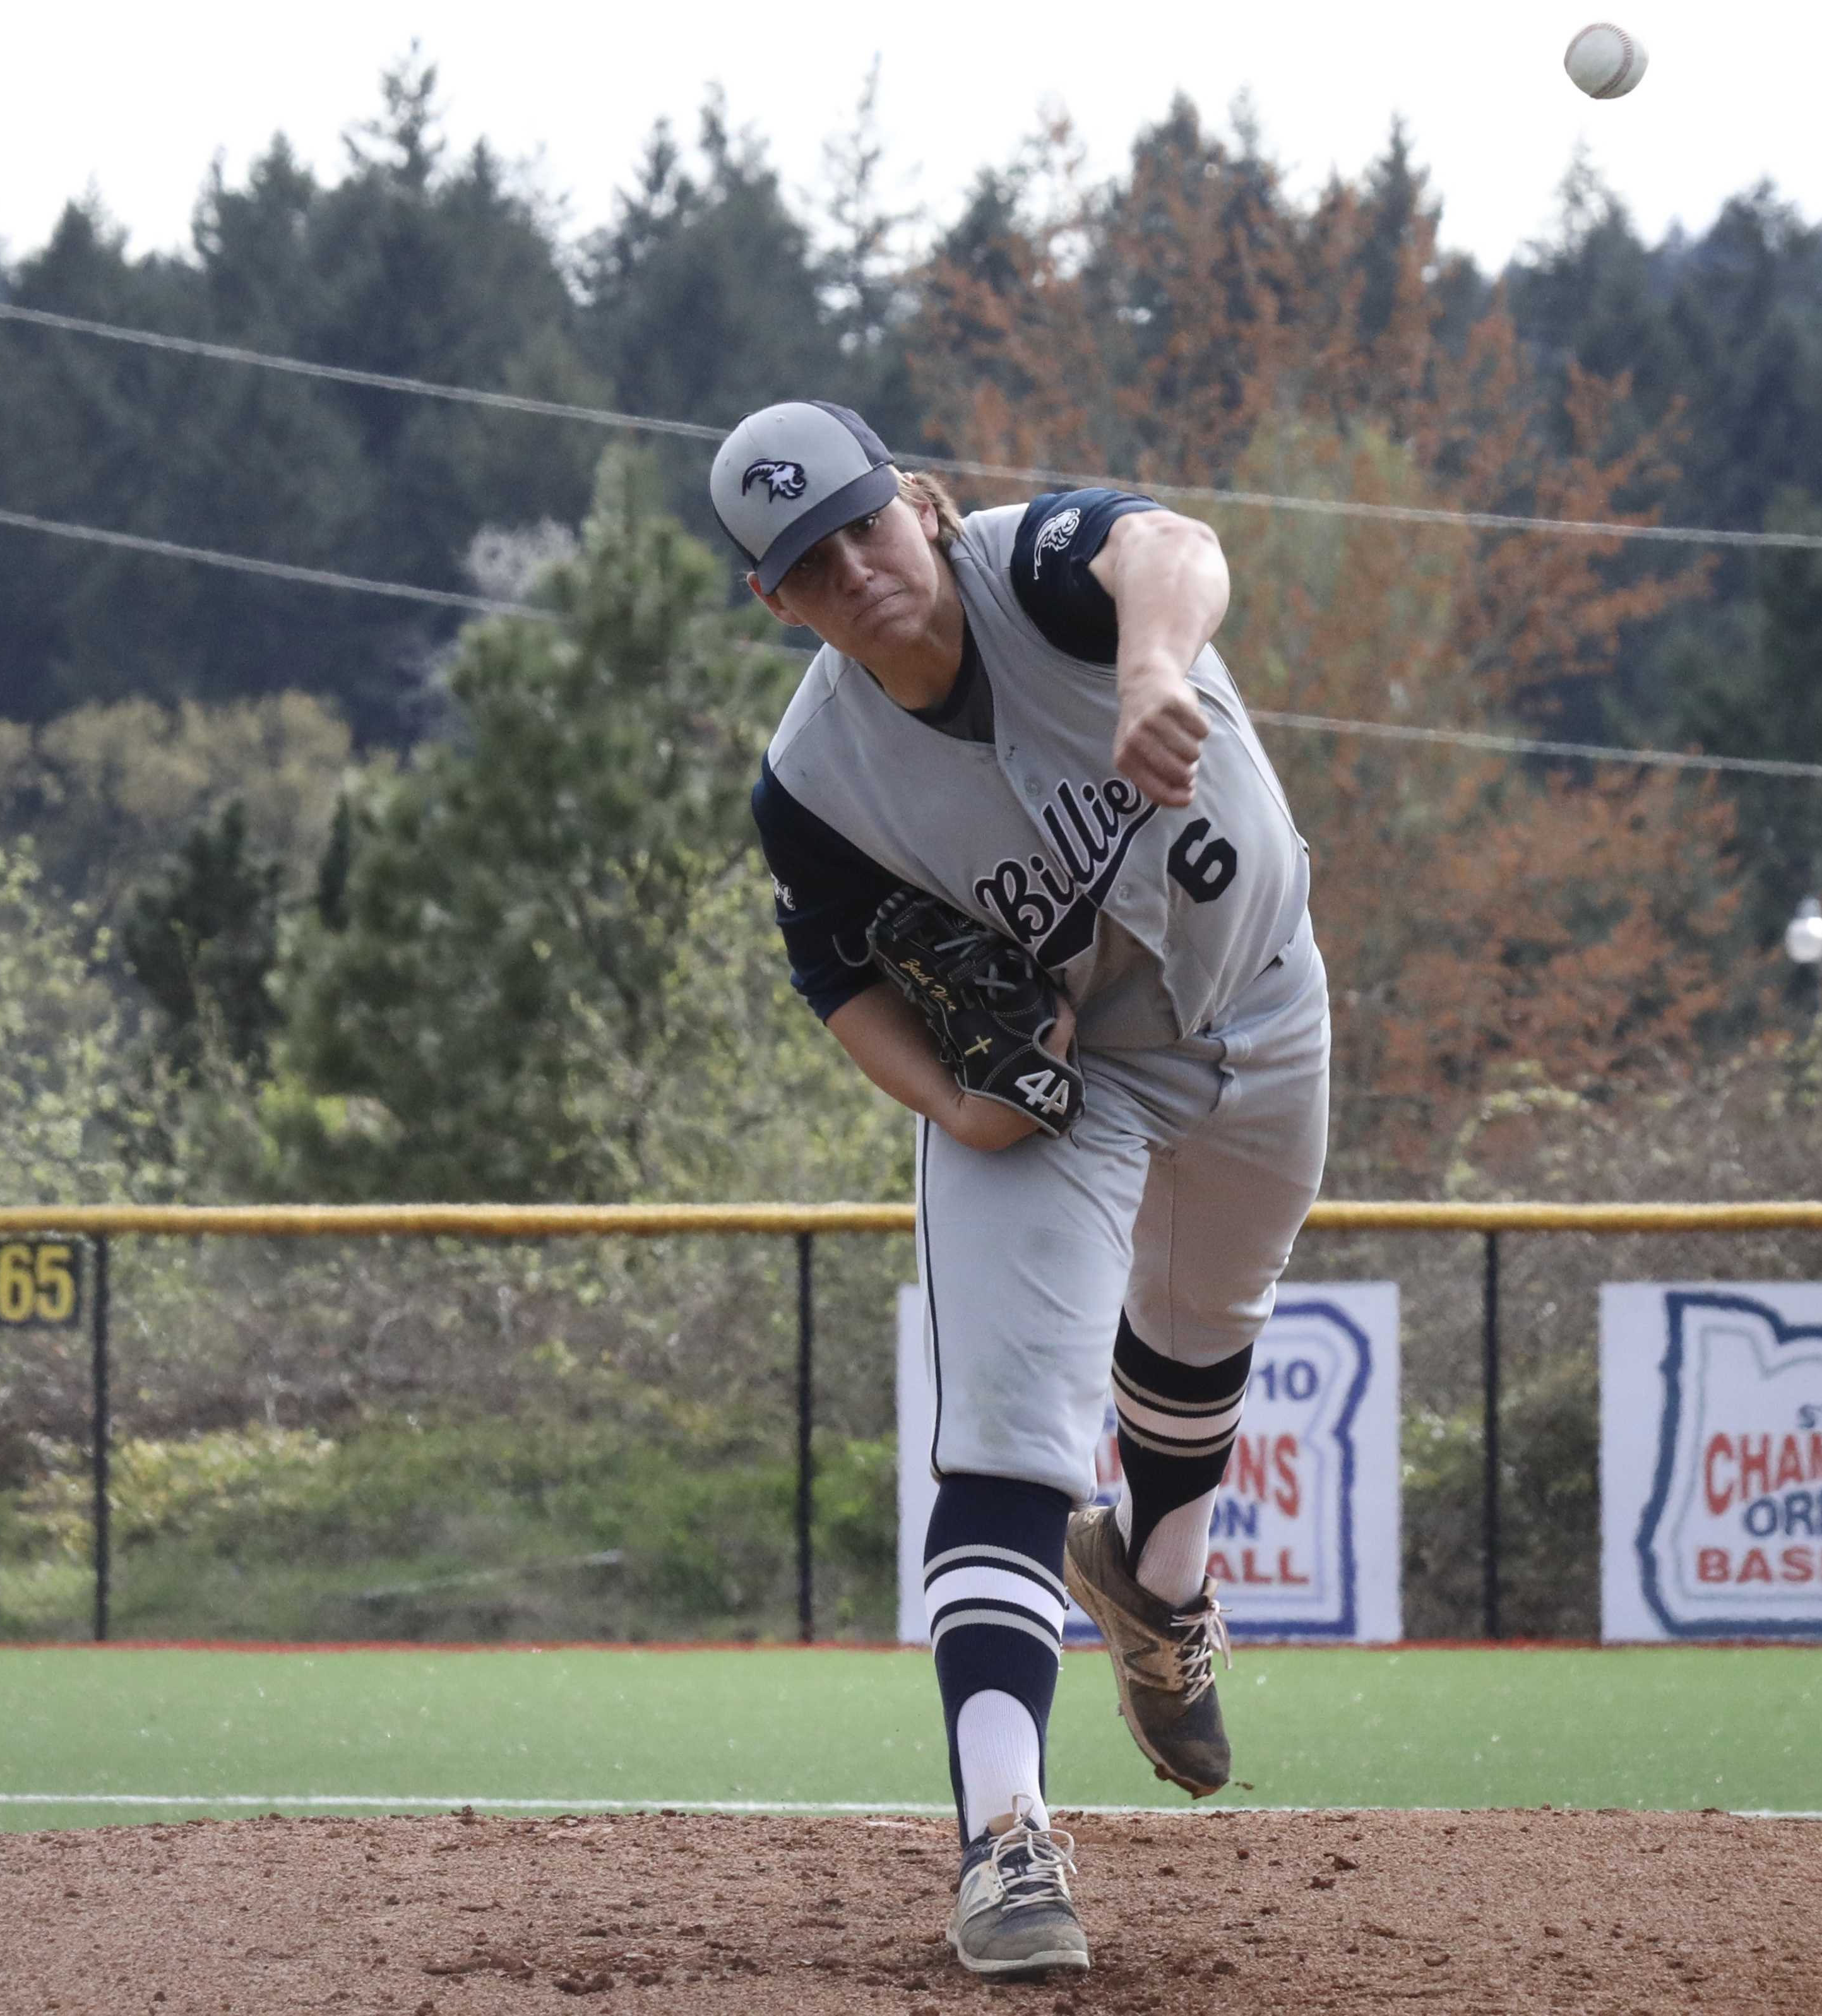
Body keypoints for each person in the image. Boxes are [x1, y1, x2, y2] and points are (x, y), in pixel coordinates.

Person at [710, 400, 1329, 1978]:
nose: (854, 569)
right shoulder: (811, 783)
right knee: (1006, 1434)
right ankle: (1002, 1837)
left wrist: (1144, 669)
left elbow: (1175, 550)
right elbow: (832, 974)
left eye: (862, 524)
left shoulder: (1036, 568)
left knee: (1205, 1324)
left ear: (917, 504)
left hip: (1264, 998)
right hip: (1067, 1075)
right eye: (807, 565)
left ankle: (1154, 1583)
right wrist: (950, 1103)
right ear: (779, 603)